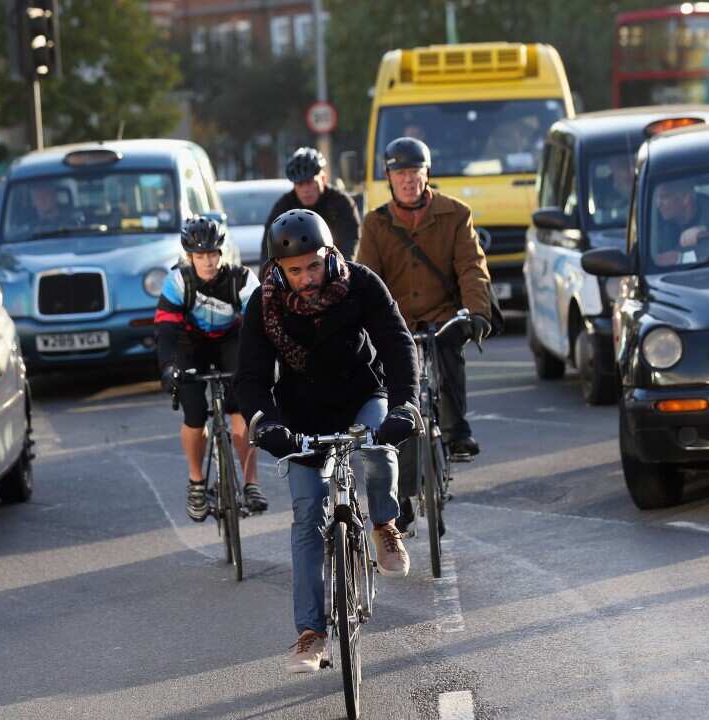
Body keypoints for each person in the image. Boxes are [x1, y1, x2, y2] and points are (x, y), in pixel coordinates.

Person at [235, 209, 418, 674]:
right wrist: (266, 423)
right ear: (279, 269)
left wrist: (405, 406)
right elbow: (251, 377)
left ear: (330, 255)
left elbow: (398, 345)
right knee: (308, 513)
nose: (307, 278)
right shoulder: (264, 304)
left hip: (363, 395)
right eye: (294, 271)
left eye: (314, 266)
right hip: (301, 414)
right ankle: (311, 634)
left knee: (378, 449)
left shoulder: (361, 284)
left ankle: (383, 525)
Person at [356, 137, 493, 468]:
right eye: (399, 173)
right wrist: (362, 321)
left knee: (448, 356)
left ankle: (457, 431)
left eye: (414, 171)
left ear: (427, 173)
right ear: (389, 178)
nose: (408, 180)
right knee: (394, 385)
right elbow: (366, 278)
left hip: (442, 315)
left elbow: (471, 268)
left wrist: (476, 312)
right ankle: (398, 478)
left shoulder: (456, 213)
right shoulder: (376, 223)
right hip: (397, 321)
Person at [155, 217, 265, 520]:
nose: (207, 261)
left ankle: (250, 482)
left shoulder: (241, 279)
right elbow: (165, 332)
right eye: (200, 256)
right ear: (189, 257)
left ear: (221, 253)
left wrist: (262, 365)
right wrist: (168, 367)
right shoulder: (178, 282)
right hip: (189, 344)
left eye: (212, 254)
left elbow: (258, 326)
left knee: (242, 407)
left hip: (230, 340)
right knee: (193, 410)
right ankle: (197, 481)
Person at [260, 147, 361, 262]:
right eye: (300, 184)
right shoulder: (283, 207)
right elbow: (268, 249)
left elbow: (351, 244)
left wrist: (341, 271)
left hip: (334, 266)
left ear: (323, 179)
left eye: (309, 182)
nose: (305, 190)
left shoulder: (342, 203)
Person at [651, 177, 709, 266]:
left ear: (685, 198)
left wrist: (705, 231)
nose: (659, 204)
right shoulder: (655, 220)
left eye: (665, 197)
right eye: (657, 198)